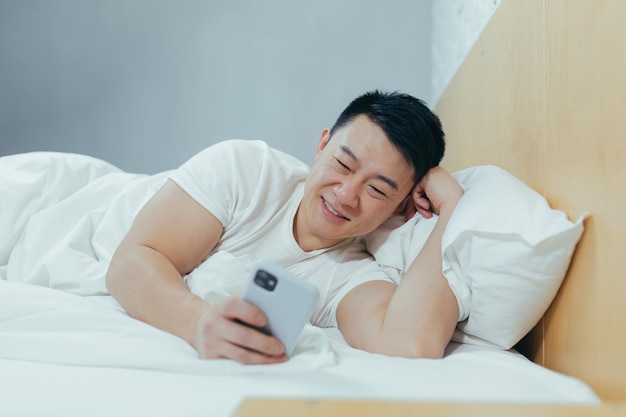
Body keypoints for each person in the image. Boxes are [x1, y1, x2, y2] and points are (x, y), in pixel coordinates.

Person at [105, 90, 463, 365]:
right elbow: (132, 260)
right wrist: (195, 322)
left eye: (377, 190)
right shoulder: (247, 171)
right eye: (342, 164)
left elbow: (410, 345)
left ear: (400, 207)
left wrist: (451, 210)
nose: (345, 195)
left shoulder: (351, 275)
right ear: (322, 145)